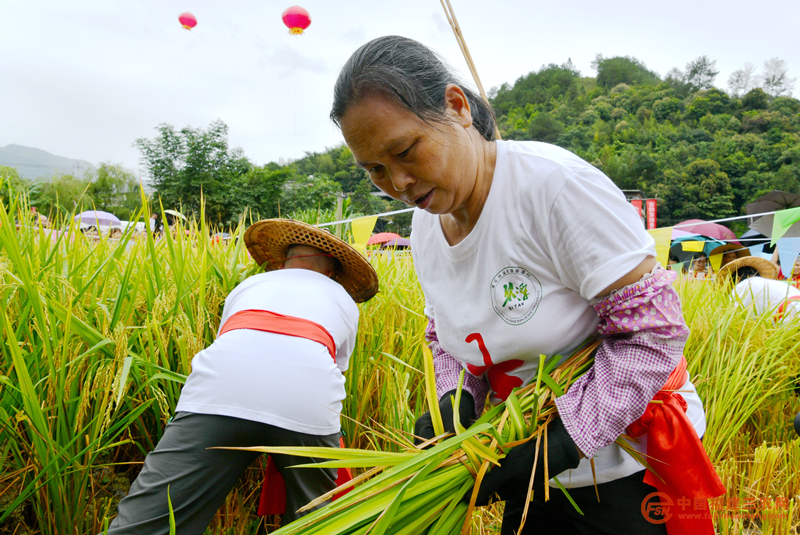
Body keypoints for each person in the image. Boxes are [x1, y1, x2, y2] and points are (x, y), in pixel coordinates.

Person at [331, 36, 722, 535]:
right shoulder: (427, 225)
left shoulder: (554, 188)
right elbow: (445, 331)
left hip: (629, 469)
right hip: (530, 469)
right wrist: (454, 398)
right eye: (376, 171)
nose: (399, 182)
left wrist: (561, 443)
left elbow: (653, 334)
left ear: (456, 107)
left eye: (406, 151)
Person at [105, 219, 379, 534]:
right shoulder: (343, 299)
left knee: (149, 518)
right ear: (332, 272)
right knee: (314, 521)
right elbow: (335, 368)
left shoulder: (249, 286)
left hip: (217, 395)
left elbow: (232, 344)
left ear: (280, 264)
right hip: (307, 405)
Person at [718, 256, 799, 323]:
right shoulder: (768, 283)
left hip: (790, 312)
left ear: (738, 279)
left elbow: (727, 312)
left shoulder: (744, 285)